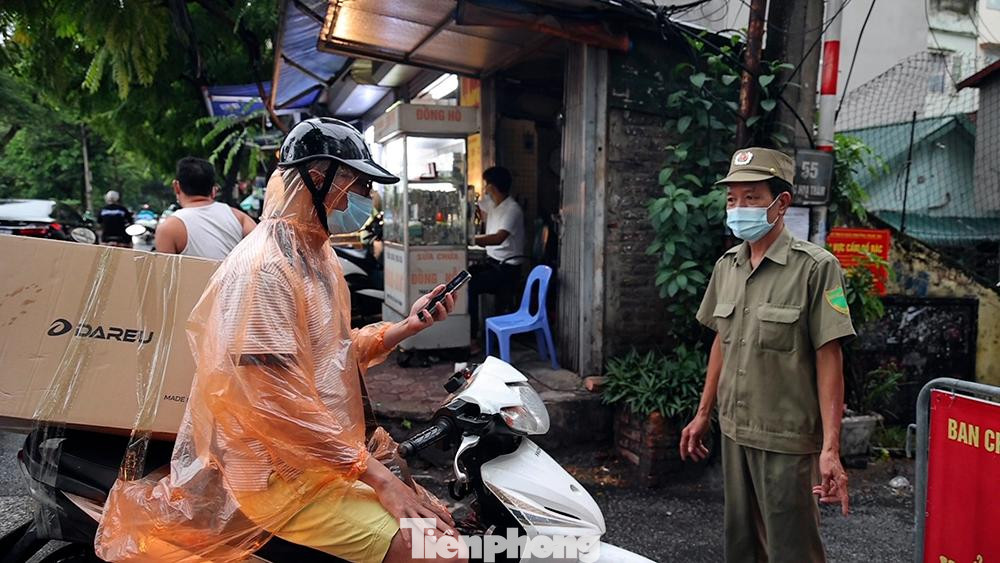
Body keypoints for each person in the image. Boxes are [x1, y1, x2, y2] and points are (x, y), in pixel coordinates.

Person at [96, 118, 463, 563]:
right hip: (277, 476)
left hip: (320, 462)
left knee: (443, 526)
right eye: (356, 183)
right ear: (315, 178)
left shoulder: (316, 256)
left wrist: (404, 328)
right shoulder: (266, 270)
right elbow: (275, 401)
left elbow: (332, 354)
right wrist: (376, 477)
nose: (363, 199)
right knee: (438, 550)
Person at [679, 147, 856, 563]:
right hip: (735, 430)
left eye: (752, 197)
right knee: (740, 546)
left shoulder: (814, 267)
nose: (739, 208)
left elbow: (830, 358)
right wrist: (704, 413)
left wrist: (831, 449)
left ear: (781, 204)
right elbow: (722, 340)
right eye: (732, 199)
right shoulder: (728, 266)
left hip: (786, 439)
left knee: (791, 550)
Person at [155, 157, 256, 259]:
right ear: (213, 189)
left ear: (176, 186)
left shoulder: (168, 228)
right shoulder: (240, 218)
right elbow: (263, 251)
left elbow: (164, 273)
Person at [468, 166, 526, 337]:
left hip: (507, 270)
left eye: (486, 185)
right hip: (492, 264)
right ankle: (471, 331)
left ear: (492, 187)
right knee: (464, 278)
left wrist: (470, 239)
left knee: (470, 286)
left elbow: (498, 238)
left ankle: (471, 337)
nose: (484, 189)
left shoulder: (512, 209)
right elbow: (472, 200)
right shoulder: (493, 204)